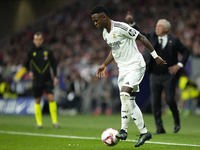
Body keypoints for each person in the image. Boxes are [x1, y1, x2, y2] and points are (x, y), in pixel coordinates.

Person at [91, 4, 167, 147]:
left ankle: (123, 130)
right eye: (93, 21)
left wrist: (155, 56)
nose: (95, 23)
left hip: (135, 65)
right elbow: (114, 50)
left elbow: (142, 37)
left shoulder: (121, 27)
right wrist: (105, 64)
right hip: (123, 69)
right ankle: (144, 133)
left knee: (124, 94)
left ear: (104, 17)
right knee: (129, 102)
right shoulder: (105, 34)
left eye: (96, 20)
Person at [125, 12, 190, 134]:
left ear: (166, 28)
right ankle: (159, 128)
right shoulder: (151, 36)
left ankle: (176, 120)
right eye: (156, 26)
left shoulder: (174, 40)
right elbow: (139, 34)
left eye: (159, 26)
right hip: (154, 75)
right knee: (155, 102)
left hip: (168, 75)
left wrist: (179, 65)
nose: (157, 28)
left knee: (170, 100)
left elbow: (186, 52)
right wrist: (132, 23)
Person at [23, 32, 60, 129]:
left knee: (51, 98)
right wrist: (29, 72)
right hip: (36, 79)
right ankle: (39, 123)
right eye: (36, 39)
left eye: (40, 39)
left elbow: (54, 64)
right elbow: (26, 64)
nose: (38, 41)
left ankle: (55, 122)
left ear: (42, 40)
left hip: (47, 78)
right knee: (37, 100)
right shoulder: (31, 51)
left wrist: (55, 76)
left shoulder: (47, 51)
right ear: (34, 40)